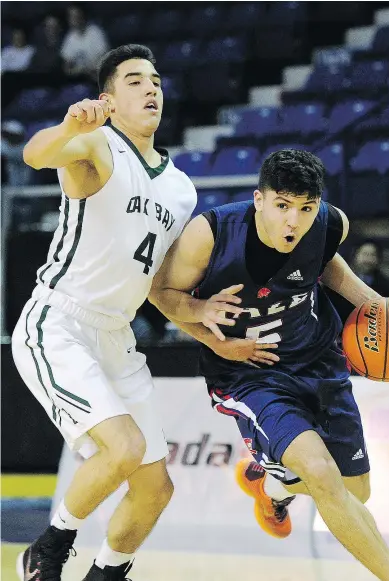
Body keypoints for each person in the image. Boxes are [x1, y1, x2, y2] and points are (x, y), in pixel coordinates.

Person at [149, 149, 389, 581]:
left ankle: (270, 484)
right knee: (319, 472)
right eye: (282, 206)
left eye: (306, 209)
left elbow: (326, 264)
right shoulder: (211, 234)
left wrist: (378, 305)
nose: (293, 222)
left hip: (317, 358)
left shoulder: (331, 224)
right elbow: (160, 293)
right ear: (259, 199)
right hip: (249, 372)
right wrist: (205, 324)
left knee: (355, 492)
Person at [12, 43, 210, 581]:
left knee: (155, 488)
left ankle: (106, 573)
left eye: (157, 81)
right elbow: (34, 153)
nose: (151, 89)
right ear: (108, 99)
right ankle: (47, 549)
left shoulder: (181, 189)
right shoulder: (96, 144)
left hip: (117, 336)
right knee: (122, 447)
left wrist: (213, 329)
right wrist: (67, 124)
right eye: (135, 81)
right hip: (60, 324)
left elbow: (159, 290)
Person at [325, 239, 389, 326]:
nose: (368, 259)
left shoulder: (388, 285)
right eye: (365, 254)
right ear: (355, 255)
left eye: (372, 255)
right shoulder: (336, 279)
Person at [61, 3, 109, 79]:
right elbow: (67, 67)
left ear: (83, 16)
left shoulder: (95, 31)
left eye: (77, 16)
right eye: (71, 16)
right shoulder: (70, 37)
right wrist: (78, 71)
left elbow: (103, 58)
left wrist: (87, 69)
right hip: (79, 78)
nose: (74, 19)